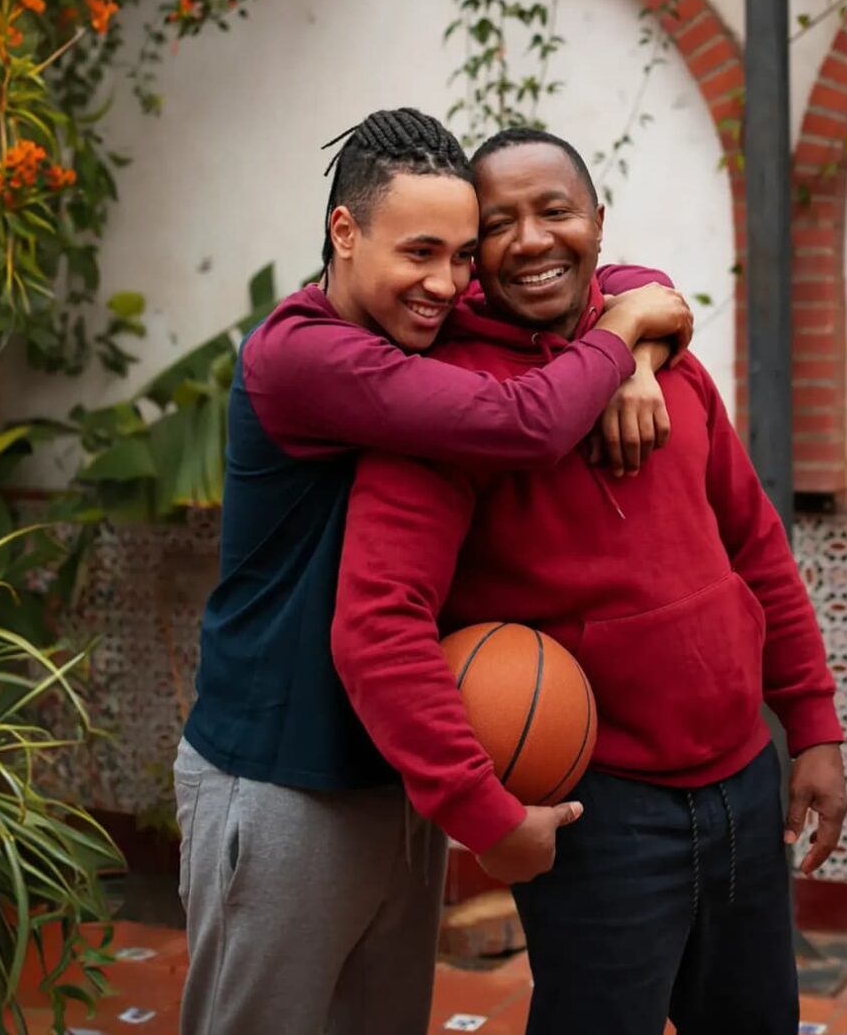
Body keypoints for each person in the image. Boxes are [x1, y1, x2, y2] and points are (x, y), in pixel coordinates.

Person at [174, 108, 696, 1034]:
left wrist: (638, 344)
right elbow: (526, 423)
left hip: (395, 779)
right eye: (420, 253)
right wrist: (626, 337)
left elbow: (597, 283)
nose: (448, 285)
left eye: (461, 256)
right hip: (280, 782)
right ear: (344, 231)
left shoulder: (414, 323)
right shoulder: (301, 353)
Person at [329, 126, 847, 1035]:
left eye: (555, 211)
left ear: (598, 224)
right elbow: (378, 623)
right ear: (474, 254)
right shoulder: (451, 405)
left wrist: (812, 724)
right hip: (597, 807)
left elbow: (756, 546)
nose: (532, 239)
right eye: (500, 224)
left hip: (743, 779)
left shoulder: (669, 361)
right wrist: (482, 812)